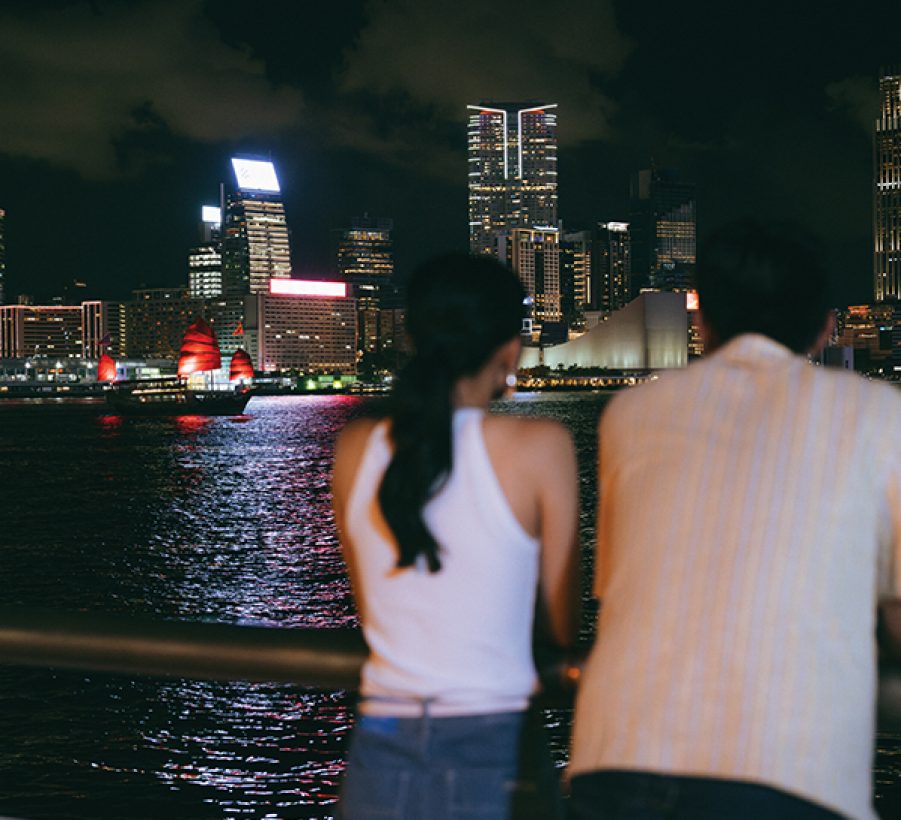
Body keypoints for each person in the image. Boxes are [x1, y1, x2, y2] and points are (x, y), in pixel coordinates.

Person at [568, 220, 901, 820]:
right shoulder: (877, 413)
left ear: (704, 321)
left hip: (615, 757)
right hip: (787, 766)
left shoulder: (632, 413)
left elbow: (617, 586)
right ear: (827, 324)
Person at [331, 253, 580, 819]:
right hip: (495, 746)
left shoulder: (355, 447)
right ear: (509, 350)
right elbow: (560, 626)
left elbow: (375, 612)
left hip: (381, 745)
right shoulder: (539, 447)